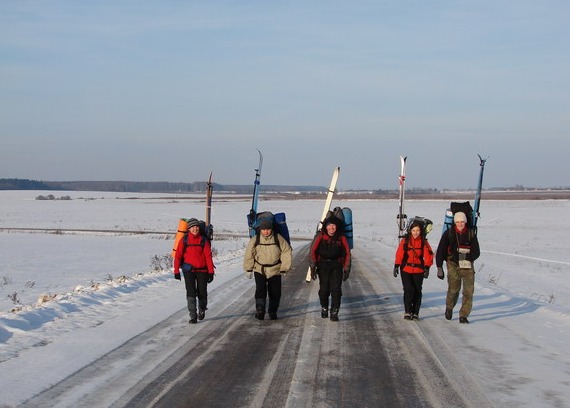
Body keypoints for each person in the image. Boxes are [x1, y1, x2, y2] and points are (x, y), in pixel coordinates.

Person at [435, 211, 480, 324]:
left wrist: (467, 256)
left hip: (467, 264)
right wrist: (439, 267)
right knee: (454, 289)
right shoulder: (449, 233)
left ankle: (463, 315)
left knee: (468, 291)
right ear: (455, 222)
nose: (460, 224)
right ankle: (449, 307)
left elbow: (477, 252)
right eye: (458, 222)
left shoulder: (471, 233)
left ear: (465, 222)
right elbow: (441, 250)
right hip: (453, 263)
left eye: (462, 222)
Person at [243, 217, 292, 320]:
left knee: (275, 292)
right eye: (264, 229)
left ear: (272, 229)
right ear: (260, 229)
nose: (266, 231)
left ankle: (273, 311)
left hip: (275, 270)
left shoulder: (278, 238)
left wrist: (284, 267)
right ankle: (260, 310)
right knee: (260, 290)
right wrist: (248, 269)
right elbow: (249, 254)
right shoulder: (255, 240)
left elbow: (286, 251)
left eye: (268, 229)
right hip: (259, 269)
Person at [309, 216, 351, 322]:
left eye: (333, 225)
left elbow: (347, 254)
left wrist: (346, 268)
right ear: (325, 227)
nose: (331, 228)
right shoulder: (320, 236)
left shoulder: (341, 237)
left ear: (337, 227)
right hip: (323, 266)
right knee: (324, 290)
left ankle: (334, 312)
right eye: (329, 225)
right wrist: (313, 266)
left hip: (337, 266)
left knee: (336, 290)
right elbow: (312, 251)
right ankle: (324, 307)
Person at [173, 218, 215, 324]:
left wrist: (211, 272)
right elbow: (178, 256)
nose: (195, 229)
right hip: (189, 271)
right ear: (189, 229)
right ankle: (193, 315)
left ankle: (202, 309)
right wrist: (176, 271)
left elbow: (208, 257)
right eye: (192, 227)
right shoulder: (184, 240)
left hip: (202, 270)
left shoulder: (203, 240)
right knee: (191, 293)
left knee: (202, 292)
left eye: (196, 227)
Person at [393, 220, 434, 320]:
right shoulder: (405, 241)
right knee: (408, 289)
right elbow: (400, 253)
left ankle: (415, 312)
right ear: (410, 231)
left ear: (421, 231)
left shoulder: (424, 242)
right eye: (414, 230)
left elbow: (429, 255)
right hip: (406, 269)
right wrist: (396, 265)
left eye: (418, 230)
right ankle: (407, 311)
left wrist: (427, 267)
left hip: (419, 270)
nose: (416, 233)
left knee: (417, 291)